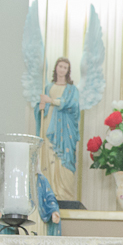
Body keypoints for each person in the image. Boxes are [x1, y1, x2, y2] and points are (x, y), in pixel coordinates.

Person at [37, 56, 80, 202]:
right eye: (60, 66)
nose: (62, 69)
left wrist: (52, 101)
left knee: (64, 159)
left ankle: (64, 193)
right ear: (56, 68)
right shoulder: (48, 88)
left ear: (68, 71)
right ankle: (51, 192)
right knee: (49, 155)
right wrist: (42, 107)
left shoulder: (71, 89)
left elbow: (73, 105)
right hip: (51, 127)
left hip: (66, 129)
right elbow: (43, 109)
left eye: (65, 67)